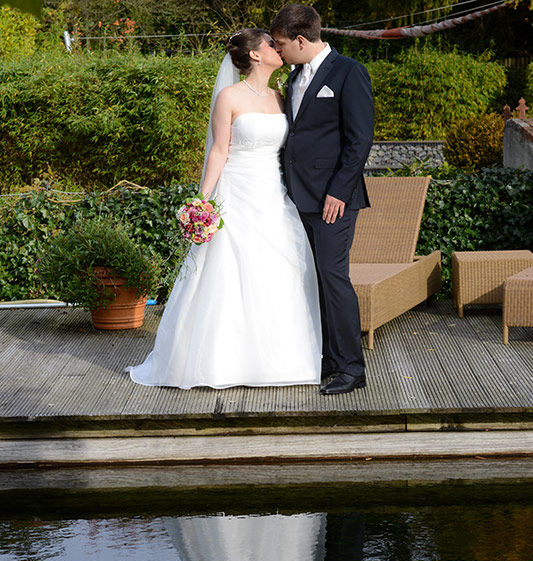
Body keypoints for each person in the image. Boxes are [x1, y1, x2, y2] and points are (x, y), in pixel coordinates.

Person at [128, 29, 321, 390]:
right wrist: (202, 201)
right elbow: (219, 150)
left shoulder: (281, 97)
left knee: (278, 272)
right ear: (255, 54)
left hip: (273, 195)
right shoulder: (229, 97)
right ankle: (221, 363)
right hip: (236, 192)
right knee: (226, 274)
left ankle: (281, 362)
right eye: (270, 44)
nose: (278, 49)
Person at [271, 5, 374, 394]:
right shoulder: (294, 76)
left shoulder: (349, 72)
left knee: (333, 277)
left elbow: (359, 140)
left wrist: (338, 191)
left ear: (300, 40)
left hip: (333, 199)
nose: (278, 51)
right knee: (313, 279)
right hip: (297, 197)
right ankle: (328, 357)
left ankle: (352, 368)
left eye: (281, 44)